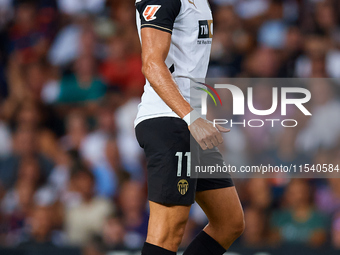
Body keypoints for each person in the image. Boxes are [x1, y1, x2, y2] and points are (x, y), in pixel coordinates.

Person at [134, 1, 245, 255]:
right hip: (169, 119)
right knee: (167, 233)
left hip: (190, 120)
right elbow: (151, 63)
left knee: (229, 223)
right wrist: (191, 116)